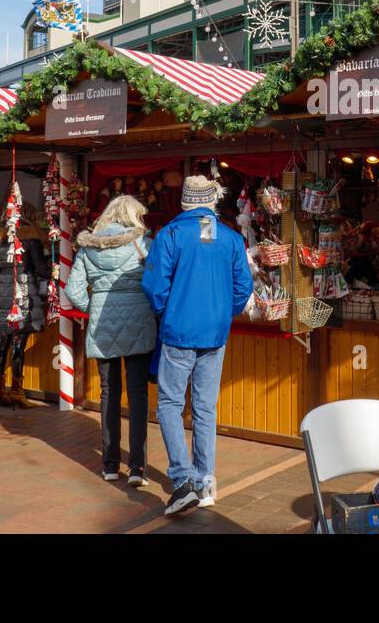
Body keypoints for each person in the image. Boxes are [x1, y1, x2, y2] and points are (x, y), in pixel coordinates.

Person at [141, 175, 253, 516]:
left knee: (170, 405)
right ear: (211, 202)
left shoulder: (171, 235)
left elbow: (154, 285)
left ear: (185, 202)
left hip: (178, 331)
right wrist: (224, 313)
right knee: (205, 407)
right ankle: (204, 480)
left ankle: (183, 480)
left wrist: (167, 311)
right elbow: (242, 286)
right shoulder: (231, 239)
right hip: (215, 333)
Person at [66, 195, 156, 485]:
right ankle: (138, 468)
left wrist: (92, 310)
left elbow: (74, 290)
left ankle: (109, 464)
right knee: (138, 394)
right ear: (132, 217)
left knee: (109, 393)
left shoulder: (87, 248)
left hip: (102, 324)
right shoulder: (142, 245)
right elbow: (156, 284)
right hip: (139, 322)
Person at [0, 221, 49, 409]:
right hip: (22, 293)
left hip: (1, 295)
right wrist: (53, 268)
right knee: (18, 344)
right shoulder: (31, 243)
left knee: (3, 343)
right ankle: (17, 392)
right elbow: (41, 270)